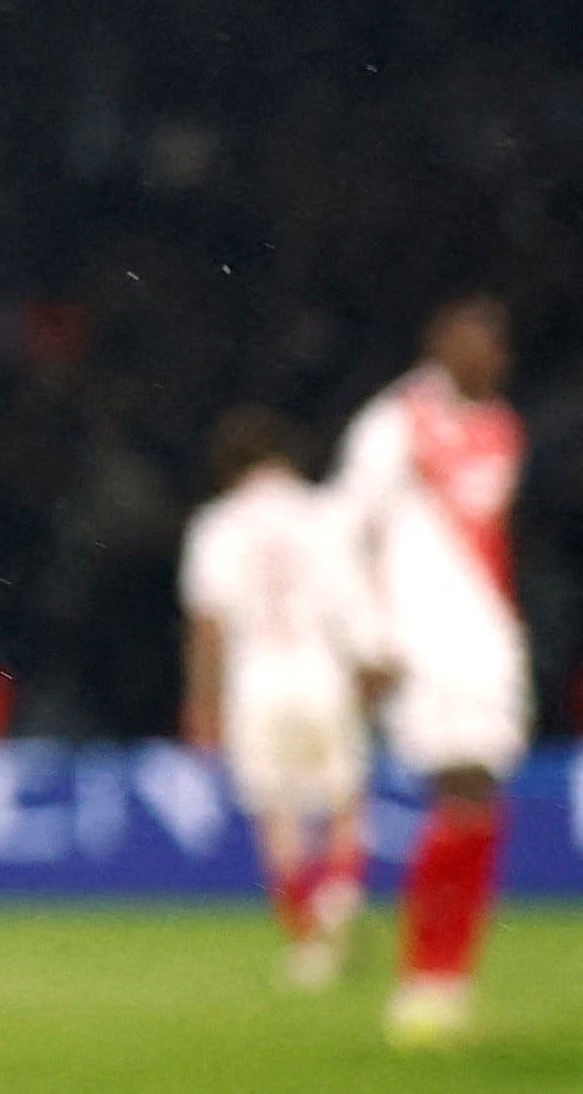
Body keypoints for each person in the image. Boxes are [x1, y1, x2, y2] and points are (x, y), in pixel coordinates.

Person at [342, 298, 529, 1049]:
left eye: (493, 342)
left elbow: (490, 542)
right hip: (420, 646)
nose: (483, 355)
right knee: (458, 792)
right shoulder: (392, 425)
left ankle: (445, 979)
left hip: (486, 641)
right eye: (468, 340)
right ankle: (424, 979)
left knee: (480, 803)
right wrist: (368, 639)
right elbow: (345, 533)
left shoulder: (500, 429)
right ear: (437, 344)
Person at [180, 406, 375, 986]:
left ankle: (309, 946)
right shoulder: (325, 515)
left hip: (257, 682)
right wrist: (366, 679)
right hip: (323, 674)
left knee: (279, 815)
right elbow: (354, 607)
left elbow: (209, 626)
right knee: (343, 802)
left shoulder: (218, 524)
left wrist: (203, 701)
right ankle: (338, 894)